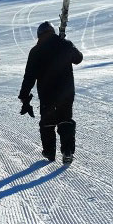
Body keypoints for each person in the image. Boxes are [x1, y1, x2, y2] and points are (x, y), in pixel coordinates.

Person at [18, 21, 83, 164]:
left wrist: (24, 95)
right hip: (66, 91)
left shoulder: (36, 51)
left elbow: (29, 76)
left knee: (47, 122)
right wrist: (67, 44)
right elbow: (78, 58)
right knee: (65, 120)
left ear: (39, 35)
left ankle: (49, 152)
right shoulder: (65, 44)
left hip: (47, 93)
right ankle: (67, 151)